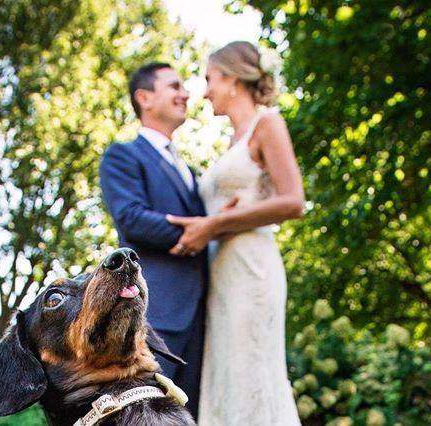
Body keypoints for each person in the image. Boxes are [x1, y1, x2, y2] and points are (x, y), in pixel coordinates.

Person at [166, 41, 304, 425]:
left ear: (230, 79)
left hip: (252, 270)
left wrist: (216, 225)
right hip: (222, 275)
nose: (205, 91)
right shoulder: (230, 141)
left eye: (209, 79)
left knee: (254, 371)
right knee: (225, 375)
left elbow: (294, 201)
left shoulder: (268, 124)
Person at [98, 62, 207, 419]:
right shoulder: (124, 155)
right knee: (145, 415)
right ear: (144, 97)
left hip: (202, 315)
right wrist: (195, 232)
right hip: (156, 314)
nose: (185, 94)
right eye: (174, 86)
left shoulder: (189, 170)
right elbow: (131, 218)